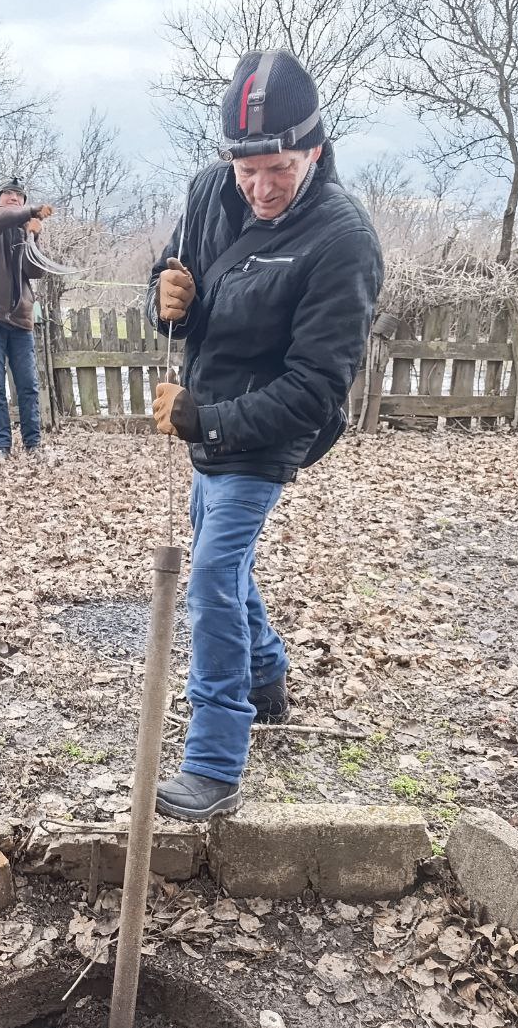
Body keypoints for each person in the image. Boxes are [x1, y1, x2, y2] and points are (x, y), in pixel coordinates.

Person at [147, 49, 383, 821]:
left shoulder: (341, 239)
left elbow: (316, 389)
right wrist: (168, 293)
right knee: (219, 542)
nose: (260, 186)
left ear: (313, 147)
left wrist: (202, 417)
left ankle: (215, 759)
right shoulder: (212, 191)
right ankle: (267, 674)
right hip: (209, 408)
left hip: (272, 425)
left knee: (213, 568)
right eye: (247, 168)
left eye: (278, 166)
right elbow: (180, 266)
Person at [0, 176, 53, 460]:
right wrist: (30, 212)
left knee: (28, 385)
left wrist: (34, 236)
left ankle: (33, 445)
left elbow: (36, 271)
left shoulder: (22, 233)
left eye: (19, 196)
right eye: (8, 194)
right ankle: (1, 447)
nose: (14, 199)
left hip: (20, 319)